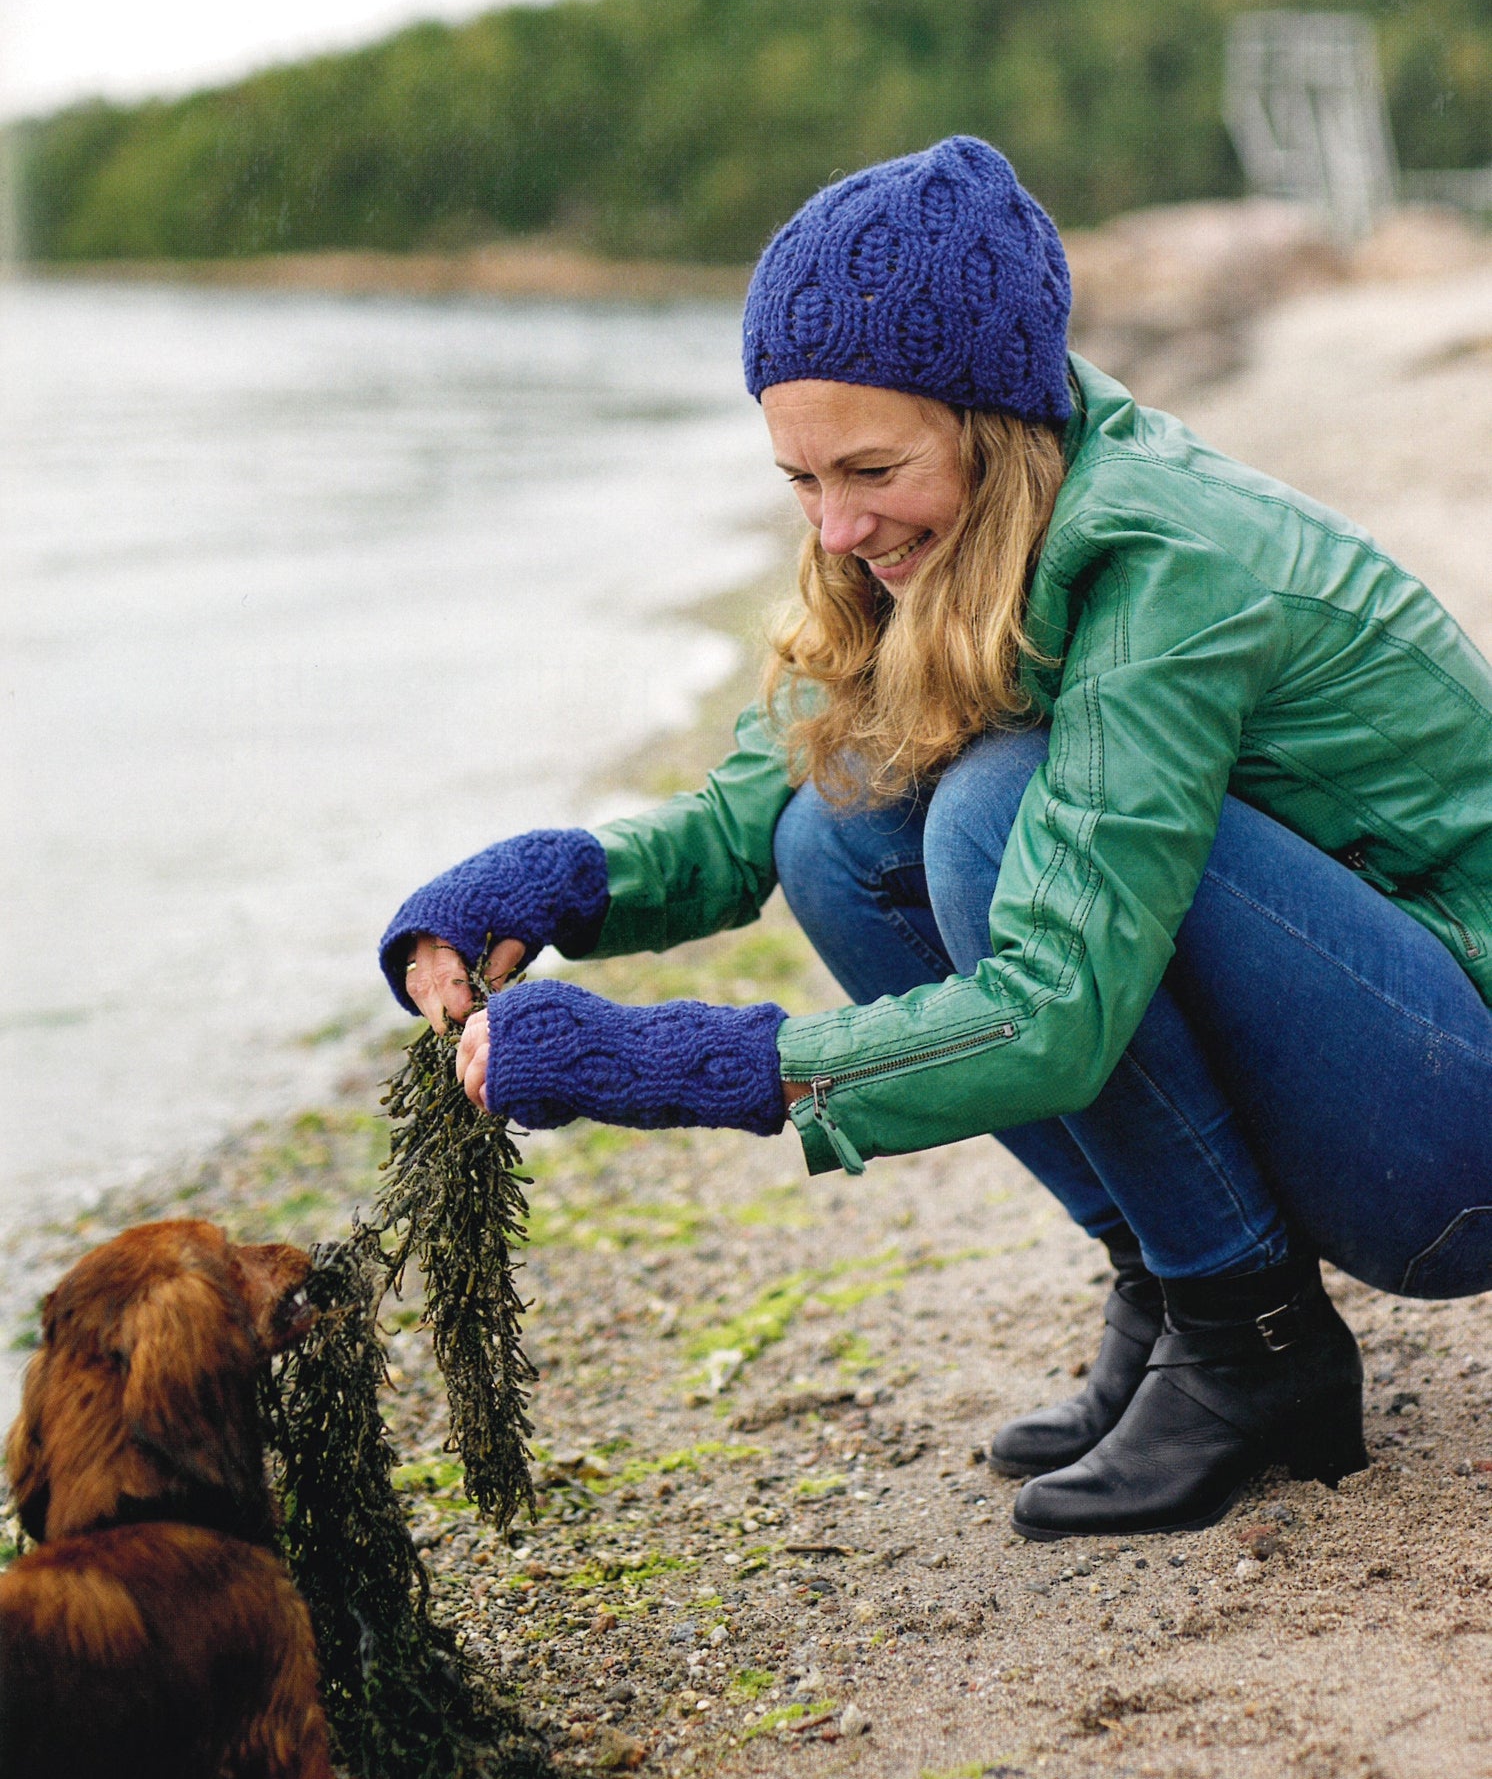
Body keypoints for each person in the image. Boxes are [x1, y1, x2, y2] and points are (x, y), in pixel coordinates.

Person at [378, 137, 1492, 1542]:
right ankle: (1179, 1288)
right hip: (1378, 1056)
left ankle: (1253, 1342)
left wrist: (661, 1061)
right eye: (798, 479)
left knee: (990, 814)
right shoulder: (940, 527)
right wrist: (532, 889)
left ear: (995, 414)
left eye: (870, 468)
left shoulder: (1166, 557)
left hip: (1458, 1135)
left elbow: (1055, 1011)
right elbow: (755, 808)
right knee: (833, 835)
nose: (839, 527)